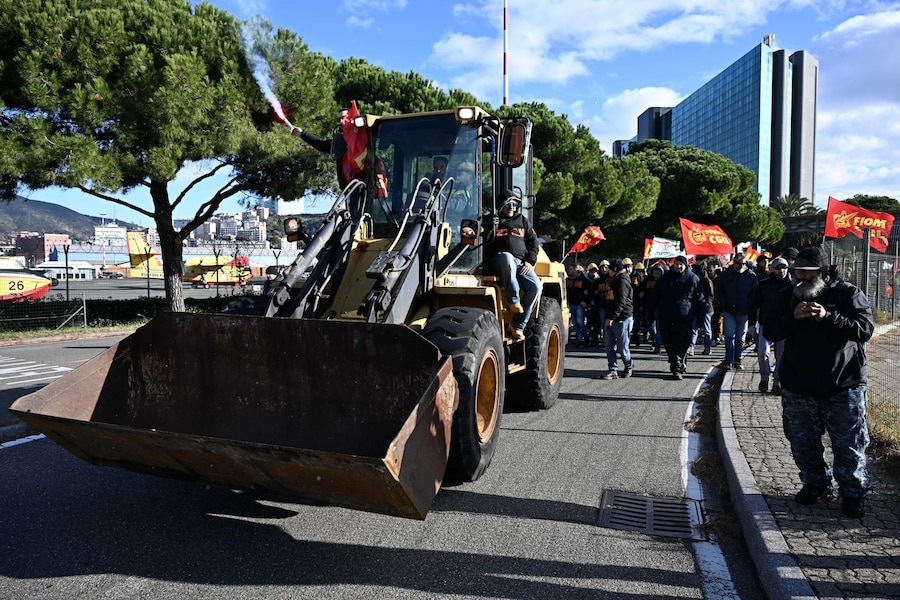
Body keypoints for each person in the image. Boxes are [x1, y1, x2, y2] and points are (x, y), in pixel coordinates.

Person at [763, 246, 874, 518]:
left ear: (822, 272)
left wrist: (829, 317)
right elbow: (770, 329)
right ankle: (816, 483)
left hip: (842, 385)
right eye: (796, 271)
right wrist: (794, 317)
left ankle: (853, 493)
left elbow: (864, 330)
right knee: (802, 442)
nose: (799, 276)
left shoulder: (848, 293)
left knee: (849, 445)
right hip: (799, 385)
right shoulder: (787, 295)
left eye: (806, 272)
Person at [482, 191, 542, 341]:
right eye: (509, 204)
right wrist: (490, 227)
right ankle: (513, 300)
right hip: (497, 261)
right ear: (501, 205)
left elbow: (533, 244)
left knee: (536, 287)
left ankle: (517, 326)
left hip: (521, 263)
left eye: (515, 204)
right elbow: (485, 241)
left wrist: (529, 261)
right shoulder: (491, 220)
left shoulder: (523, 220)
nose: (512, 207)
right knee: (507, 257)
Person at [649, 255, 705, 380]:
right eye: (676, 264)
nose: (678, 266)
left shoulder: (692, 278)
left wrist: (701, 316)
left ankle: (678, 367)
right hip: (666, 316)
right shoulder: (665, 279)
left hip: (685, 317)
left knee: (682, 343)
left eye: (681, 264)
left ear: (685, 265)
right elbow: (655, 297)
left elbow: (700, 299)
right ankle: (674, 362)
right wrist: (651, 312)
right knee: (668, 343)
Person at [748, 257, 792, 393]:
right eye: (778, 268)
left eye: (784, 267)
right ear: (772, 269)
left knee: (781, 356)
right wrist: (751, 324)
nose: (781, 271)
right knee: (762, 353)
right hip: (766, 324)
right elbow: (753, 304)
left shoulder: (792, 286)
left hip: (784, 326)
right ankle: (764, 378)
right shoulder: (763, 285)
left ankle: (777, 382)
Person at [714, 252, 758, 369]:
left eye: (744, 264)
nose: (741, 266)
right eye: (739, 263)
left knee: (740, 336)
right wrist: (724, 303)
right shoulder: (726, 275)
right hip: (729, 310)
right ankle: (729, 360)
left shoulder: (751, 276)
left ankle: (738, 359)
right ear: (734, 262)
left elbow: (755, 293)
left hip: (744, 311)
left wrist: (750, 305)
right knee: (729, 335)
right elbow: (719, 290)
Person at [291, 108, 351, 187]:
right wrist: (302, 134)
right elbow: (320, 144)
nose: (341, 121)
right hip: (348, 187)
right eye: (339, 119)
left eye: (344, 117)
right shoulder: (338, 142)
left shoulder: (362, 135)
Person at [601, 259, 634, 379]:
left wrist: (612, 317)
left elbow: (621, 302)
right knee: (609, 346)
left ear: (615, 269)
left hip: (621, 319)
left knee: (622, 347)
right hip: (611, 318)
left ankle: (629, 365)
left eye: (609, 268)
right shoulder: (613, 280)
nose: (607, 271)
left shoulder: (622, 282)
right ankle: (613, 370)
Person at [689, 262, 714, 355]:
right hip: (695, 307)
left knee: (707, 329)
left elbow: (711, 296)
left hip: (706, 308)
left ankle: (708, 347)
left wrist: (704, 303)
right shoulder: (693, 280)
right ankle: (691, 347)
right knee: (693, 328)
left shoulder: (707, 281)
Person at [566, 263, 591, 347]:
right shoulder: (568, 280)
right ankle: (580, 340)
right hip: (571, 304)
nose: (569, 271)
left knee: (580, 321)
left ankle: (586, 337)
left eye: (571, 269)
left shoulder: (583, 280)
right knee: (575, 323)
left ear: (576, 269)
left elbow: (588, 292)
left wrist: (585, 301)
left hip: (580, 304)